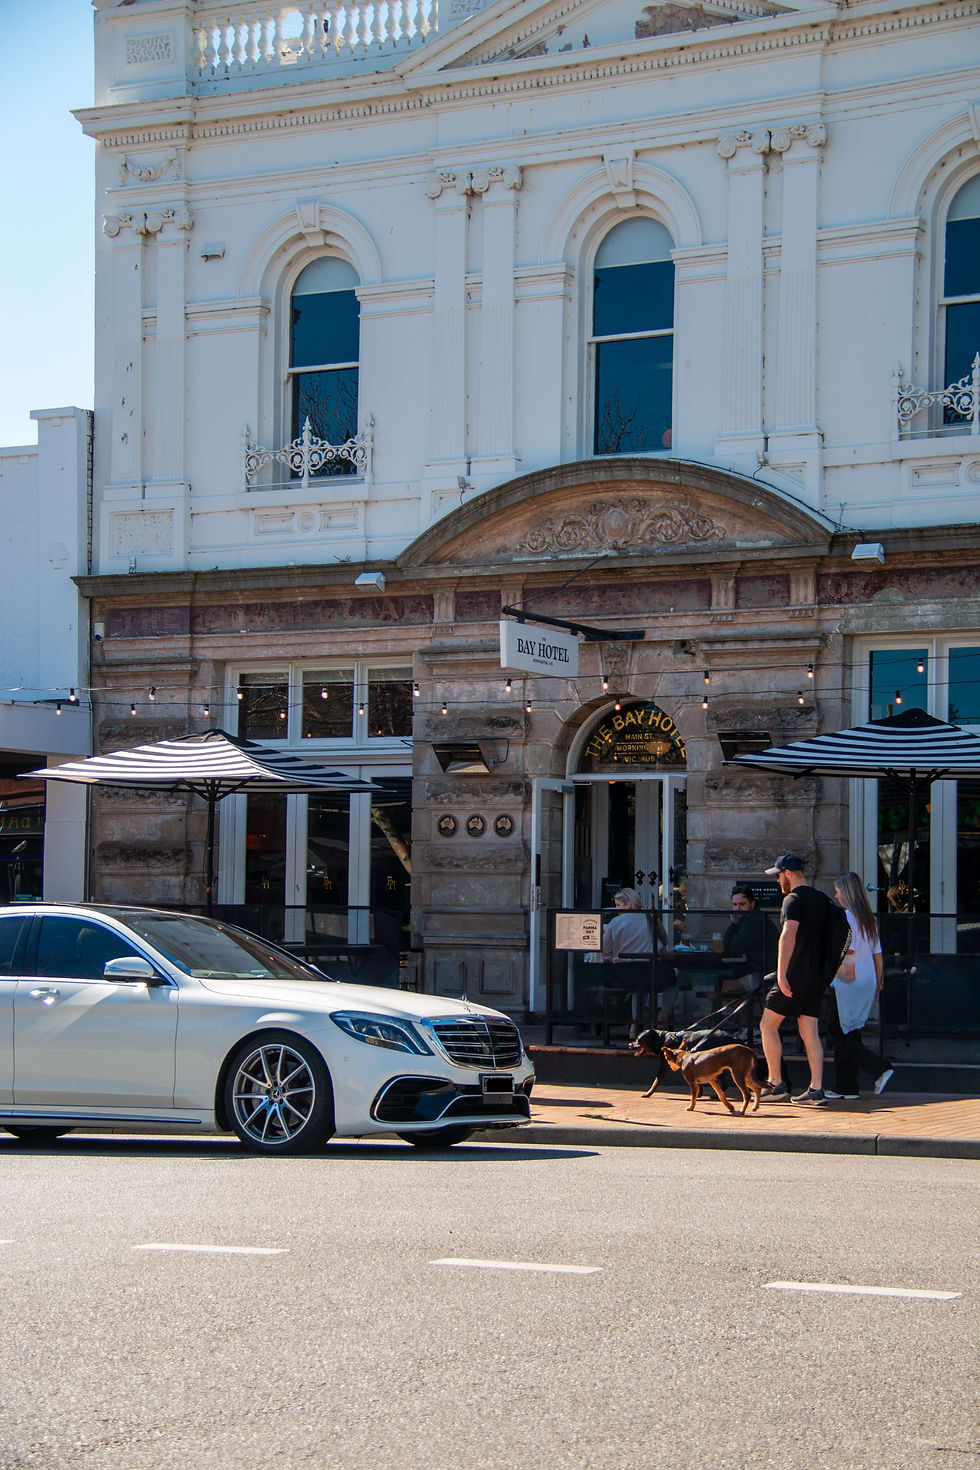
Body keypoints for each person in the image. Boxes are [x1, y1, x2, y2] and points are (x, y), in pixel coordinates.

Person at [759, 854, 832, 1106]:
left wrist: (781, 974)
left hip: (795, 975)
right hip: (817, 977)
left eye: (778, 875)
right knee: (809, 1031)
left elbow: (788, 935)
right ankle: (816, 1089)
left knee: (767, 1025)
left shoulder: (793, 899)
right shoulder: (822, 900)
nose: (778, 880)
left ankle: (776, 1083)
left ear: (788, 873)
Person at [826, 872, 895, 1100]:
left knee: (838, 1033)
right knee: (851, 1032)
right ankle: (845, 1085)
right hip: (866, 981)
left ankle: (879, 1068)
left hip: (848, 982)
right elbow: (877, 954)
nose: (836, 895)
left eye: (837, 891)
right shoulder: (869, 919)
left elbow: (848, 953)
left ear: (846, 892)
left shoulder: (846, 918)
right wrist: (879, 982)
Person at [589, 889, 669, 1039]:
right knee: (653, 983)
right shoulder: (649, 918)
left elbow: (606, 951)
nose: (616, 909)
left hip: (623, 973)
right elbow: (663, 942)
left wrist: (610, 957)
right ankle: (654, 1019)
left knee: (636, 986)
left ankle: (635, 1023)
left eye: (618, 905)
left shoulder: (615, 922)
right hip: (648, 970)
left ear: (628, 905)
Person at [721, 884, 777, 997]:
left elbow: (735, 948)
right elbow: (728, 948)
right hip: (757, 969)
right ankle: (739, 1013)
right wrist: (734, 924)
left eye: (742, 904)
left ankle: (738, 1014)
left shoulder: (755, 919)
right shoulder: (748, 918)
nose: (737, 909)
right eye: (734, 905)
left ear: (752, 904)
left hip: (766, 974)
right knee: (724, 981)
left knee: (727, 986)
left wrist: (733, 925)